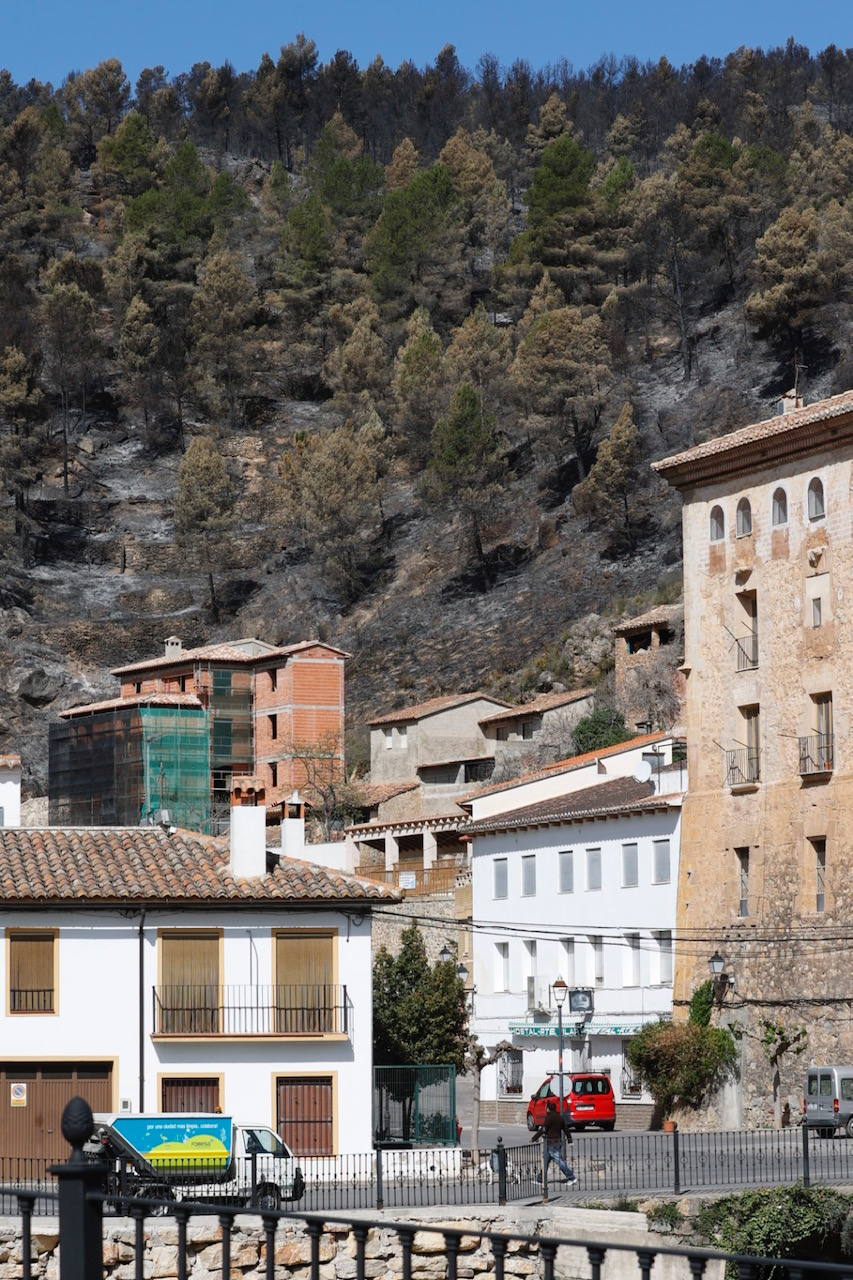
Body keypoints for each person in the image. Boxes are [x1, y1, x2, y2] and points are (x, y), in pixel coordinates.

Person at [531, 1101, 577, 1185]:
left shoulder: (549, 1118)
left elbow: (543, 1129)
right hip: (557, 1142)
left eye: (546, 1108)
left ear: (548, 1109)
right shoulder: (560, 1117)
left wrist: (534, 1138)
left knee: (559, 1162)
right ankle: (540, 1179)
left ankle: (571, 1177)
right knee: (545, 1161)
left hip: (551, 1143)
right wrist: (570, 1140)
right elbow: (566, 1129)